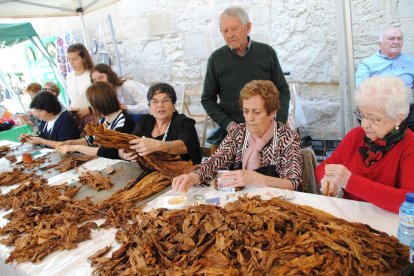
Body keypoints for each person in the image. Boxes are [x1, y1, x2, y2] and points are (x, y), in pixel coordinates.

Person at [172, 80, 302, 193]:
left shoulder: (287, 138)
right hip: (241, 201)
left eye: (257, 112)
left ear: (272, 112)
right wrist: (194, 176)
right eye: (246, 111)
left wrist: (257, 179)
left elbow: (293, 183)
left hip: (275, 204)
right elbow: (215, 161)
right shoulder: (239, 132)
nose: (250, 118)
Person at [316, 76, 414, 213]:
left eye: (374, 119)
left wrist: (351, 182)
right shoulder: (356, 136)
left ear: (398, 117)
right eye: (362, 115)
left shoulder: (410, 147)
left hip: (389, 226)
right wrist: (327, 181)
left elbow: (409, 202)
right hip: (351, 218)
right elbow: (323, 167)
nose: (364, 124)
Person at [202, 6, 290, 150]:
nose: (229, 35)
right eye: (225, 30)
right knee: (226, 171)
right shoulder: (216, 59)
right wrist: (230, 125)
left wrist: (279, 123)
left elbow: (283, 90)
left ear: (247, 27)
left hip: (266, 129)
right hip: (232, 132)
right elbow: (207, 99)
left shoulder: (267, 53)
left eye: (234, 28)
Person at [119, 83, 202, 164]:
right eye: (155, 101)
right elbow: (131, 142)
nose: (160, 105)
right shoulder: (145, 121)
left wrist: (158, 145)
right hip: (149, 172)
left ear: (173, 105)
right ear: (150, 106)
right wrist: (123, 153)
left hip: (180, 174)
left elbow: (186, 146)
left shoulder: (183, 122)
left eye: (165, 100)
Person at [355, 27, 414, 130]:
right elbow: (362, 90)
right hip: (379, 112)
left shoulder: (411, 62)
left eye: (399, 38)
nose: (396, 42)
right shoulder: (367, 64)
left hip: (407, 111)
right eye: (391, 38)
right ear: (380, 43)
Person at [55, 82, 135, 159]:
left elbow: (111, 151)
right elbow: (93, 139)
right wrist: (71, 143)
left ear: (98, 104)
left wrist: (76, 148)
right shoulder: (104, 119)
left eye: (91, 103)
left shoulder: (123, 120)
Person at [66, 43, 95, 132]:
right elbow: (73, 98)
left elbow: (103, 100)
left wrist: (89, 109)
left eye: (74, 59)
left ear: (84, 59)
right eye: (69, 59)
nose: (71, 63)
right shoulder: (69, 76)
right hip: (75, 118)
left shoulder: (92, 75)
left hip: (92, 118)